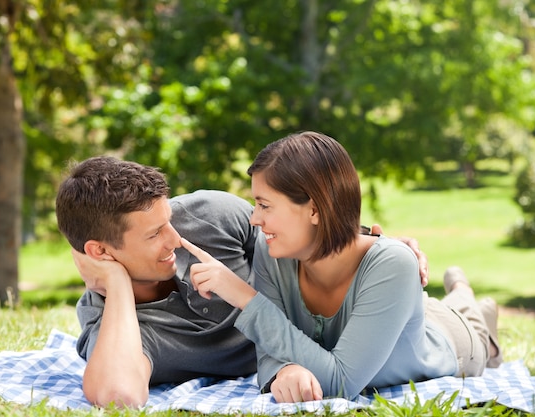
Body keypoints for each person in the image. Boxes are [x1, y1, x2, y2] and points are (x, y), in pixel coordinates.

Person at [55, 155, 430, 408]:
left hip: (349, 318)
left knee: (448, 321)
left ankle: (464, 297)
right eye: (154, 235)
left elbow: (294, 234)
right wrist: (117, 285)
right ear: (100, 252)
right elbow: (119, 396)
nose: (175, 238)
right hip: (311, 349)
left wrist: (372, 245)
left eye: (169, 220)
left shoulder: (209, 215)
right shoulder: (109, 325)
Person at [182, 131, 503, 403]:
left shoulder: (393, 265)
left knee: (476, 330)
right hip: (392, 314)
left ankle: (466, 297)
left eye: (265, 205)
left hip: (453, 341)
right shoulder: (272, 253)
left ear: (315, 209)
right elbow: (269, 351)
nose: (254, 219)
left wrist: (247, 299)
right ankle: (462, 296)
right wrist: (284, 370)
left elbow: (341, 382)